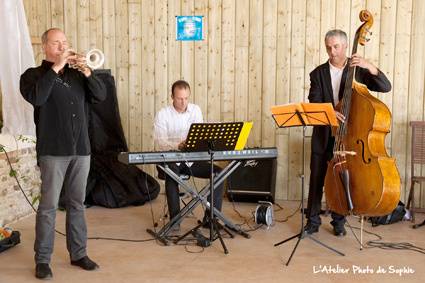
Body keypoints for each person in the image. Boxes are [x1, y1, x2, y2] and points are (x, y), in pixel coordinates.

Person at [20, 28, 106, 279]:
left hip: (81, 149)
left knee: (77, 204)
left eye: (65, 43)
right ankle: (43, 260)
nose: (62, 47)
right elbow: (37, 97)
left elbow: (100, 96)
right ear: (45, 46)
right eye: (56, 43)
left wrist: (88, 72)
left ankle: (79, 254)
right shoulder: (33, 76)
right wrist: (56, 67)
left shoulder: (79, 75)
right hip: (53, 151)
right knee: (48, 207)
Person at [305, 29, 391, 237]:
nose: (332, 51)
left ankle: (339, 221)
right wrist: (330, 113)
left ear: (345, 46)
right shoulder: (318, 73)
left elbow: (385, 87)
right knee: (317, 178)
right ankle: (312, 221)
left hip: (352, 136)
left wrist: (369, 66)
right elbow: (314, 101)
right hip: (325, 133)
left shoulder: (358, 70)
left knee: (343, 178)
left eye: (335, 47)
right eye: (328, 47)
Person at [154, 80, 224, 231]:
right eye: (179, 98)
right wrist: (178, 145)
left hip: (191, 160)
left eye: (186, 98)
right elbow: (161, 142)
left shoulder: (195, 110)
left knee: (219, 173)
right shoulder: (162, 114)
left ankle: (211, 218)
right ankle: (175, 220)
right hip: (169, 159)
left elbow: (199, 137)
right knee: (172, 174)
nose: (183, 102)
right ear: (172, 96)